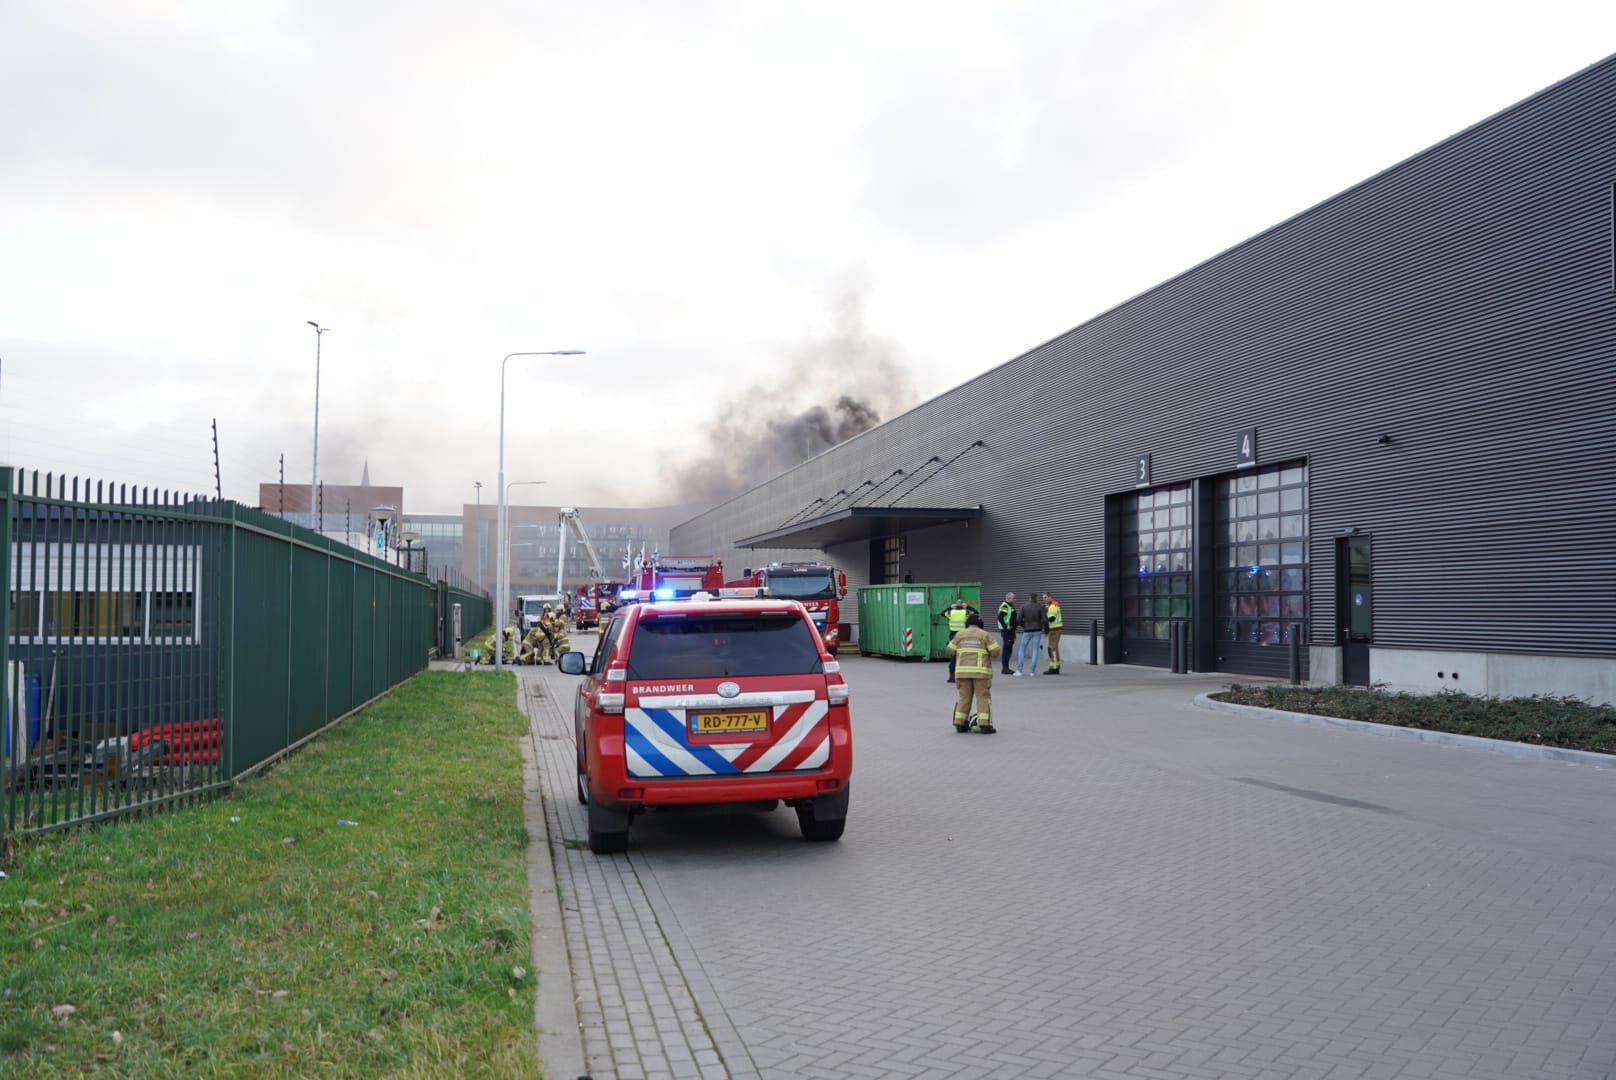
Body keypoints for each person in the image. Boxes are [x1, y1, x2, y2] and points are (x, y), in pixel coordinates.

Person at [947, 612, 1000, 733]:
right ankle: (985, 725)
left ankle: (960, 724)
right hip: (980, 674)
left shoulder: (959, 634)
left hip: (962, 673)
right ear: (980, 624)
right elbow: (996, 651)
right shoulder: (984, 634)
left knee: (964, 698)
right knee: (982, 697)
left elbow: (950, 649)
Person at [937, 597, 979, 683]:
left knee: (953, 656)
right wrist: (967, 606)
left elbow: (942, 613)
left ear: (955, 605)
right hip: (964, 636)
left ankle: (952, 677)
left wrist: (950, 607)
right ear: (962, 604)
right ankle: (966, 676)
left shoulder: (951, 613)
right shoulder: (966, 612)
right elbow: (976, 613)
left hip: (953, 636)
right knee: (965, 656)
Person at [1012, 592, 1046, 676]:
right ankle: (1032, 672)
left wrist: (1024, 626)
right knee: (1035, 650)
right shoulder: (1040, 607)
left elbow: (1018, 619)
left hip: (1027, 630)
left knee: (1022, 649)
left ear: (1029, 598)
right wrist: (1046, 630)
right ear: (1036, 598)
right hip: (1037, 630)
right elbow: (1045, 620)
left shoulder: (1024, 606)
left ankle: (1019, 671)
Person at [996, 592, 1018, 675]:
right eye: (1013, 598)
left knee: (1009, 649)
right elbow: (1000, 617)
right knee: (1007, 649)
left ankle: (1006, 667)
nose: (1014, 600)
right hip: (1006, 631)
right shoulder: (1005, 605)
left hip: (1011, 631)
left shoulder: (1010, 606)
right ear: (1008, 598)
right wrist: (1006, 626)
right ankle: (1005, 668)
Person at [1044, 593, 1064, 674]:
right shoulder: (1050, 605)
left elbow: (1051, 618)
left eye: (1045, 597)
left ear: (1049, 597)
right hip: (1053, 629)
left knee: (1052, 648)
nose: (1044, 599)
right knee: (1052, 648)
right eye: (1043, 597)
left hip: (1055, 629)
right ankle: (1055, 666)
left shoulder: (1053, 605)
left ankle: (1055, 668)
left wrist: (1043, 620)